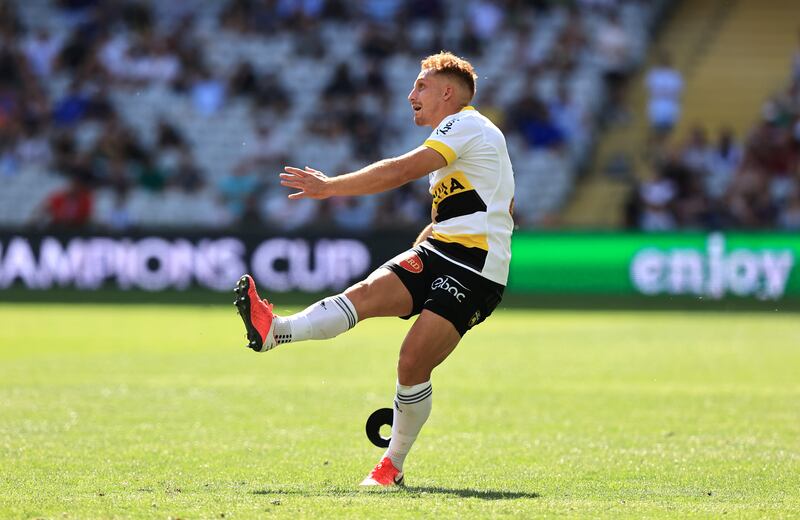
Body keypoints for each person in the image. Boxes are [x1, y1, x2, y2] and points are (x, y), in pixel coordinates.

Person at [233, 52, 515, 488]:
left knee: (411, 361)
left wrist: (330, 188)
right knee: (364, 294)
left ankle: (392, 464)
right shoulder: (468, 137)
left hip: (476, 268)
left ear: (447, 92)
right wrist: (422, 247)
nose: (411, 95)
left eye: (421, 86)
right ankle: (275, 331)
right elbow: (490, 205)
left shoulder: (466, 124)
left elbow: (401, 169)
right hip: (441, 248)